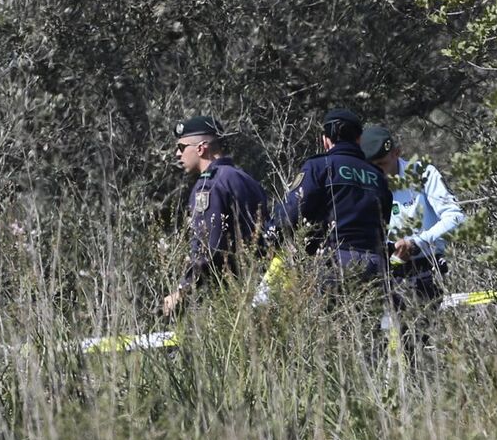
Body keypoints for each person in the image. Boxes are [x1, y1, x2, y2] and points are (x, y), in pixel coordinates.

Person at [268, 109, 393, 287]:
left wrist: (269, 233)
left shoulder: (320, 167)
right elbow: (384, 225)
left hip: (333, 263)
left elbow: (293, 211)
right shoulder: (378, 177)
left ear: (325, 140)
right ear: (359, 140)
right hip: (374, 266)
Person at [163, 115, 269, 316]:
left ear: (201, 148)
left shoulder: (209, 184)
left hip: (230, 296)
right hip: (259, 285)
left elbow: (208, 247)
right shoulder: (244, 178)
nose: (177, 154)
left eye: (182, 147)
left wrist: (182, 291)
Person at [360, 125, 465, 305]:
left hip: (430, 268)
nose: (377, 172)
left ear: (396, 153)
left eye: (381, 164)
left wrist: (417, 243)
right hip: (386, 273)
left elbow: (455, 216)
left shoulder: (423, 173)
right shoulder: (363, 185)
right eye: (371, 166)